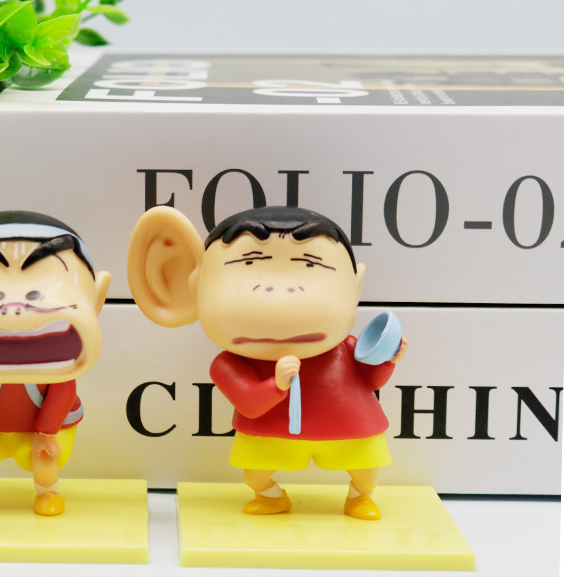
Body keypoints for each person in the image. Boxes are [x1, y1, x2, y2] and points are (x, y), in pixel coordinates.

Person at [127, 205, 406, 519]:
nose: (281, 294)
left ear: (355, 288)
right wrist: (276, 385)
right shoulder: (228, 365)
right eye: (248, 263)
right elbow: (249, 404)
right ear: (193, 286)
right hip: (271, 431)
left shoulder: (346, 348)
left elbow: (371, 380)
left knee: (366, 472)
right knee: (255, 476)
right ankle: (271, 497)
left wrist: (387, 359)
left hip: (349, 426)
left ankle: (360, 498)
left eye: (310, 265)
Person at [0, 211, 111, 516]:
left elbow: (62, 392)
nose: (13, 306)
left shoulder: (56, 368)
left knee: (45, 462)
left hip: (41, 430)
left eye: (37, 291)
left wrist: (46, 432)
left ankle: (48, 494)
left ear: (98, 297)